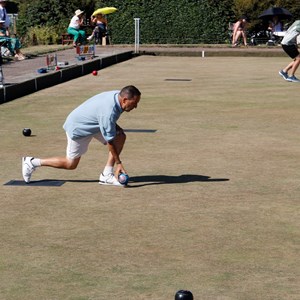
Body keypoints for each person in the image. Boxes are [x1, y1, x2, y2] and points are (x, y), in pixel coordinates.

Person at [22, 85, 141, 186]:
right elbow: (110, 142)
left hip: (95, 122)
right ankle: (32, 162)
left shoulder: (118, 96)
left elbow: (106, 122)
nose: (135, 107)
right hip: (79, 128)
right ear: (125, 100)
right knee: (71, 164)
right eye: (134, 103)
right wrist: (119, 164)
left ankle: (106, 175)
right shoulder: (108, 112)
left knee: (120, 136)